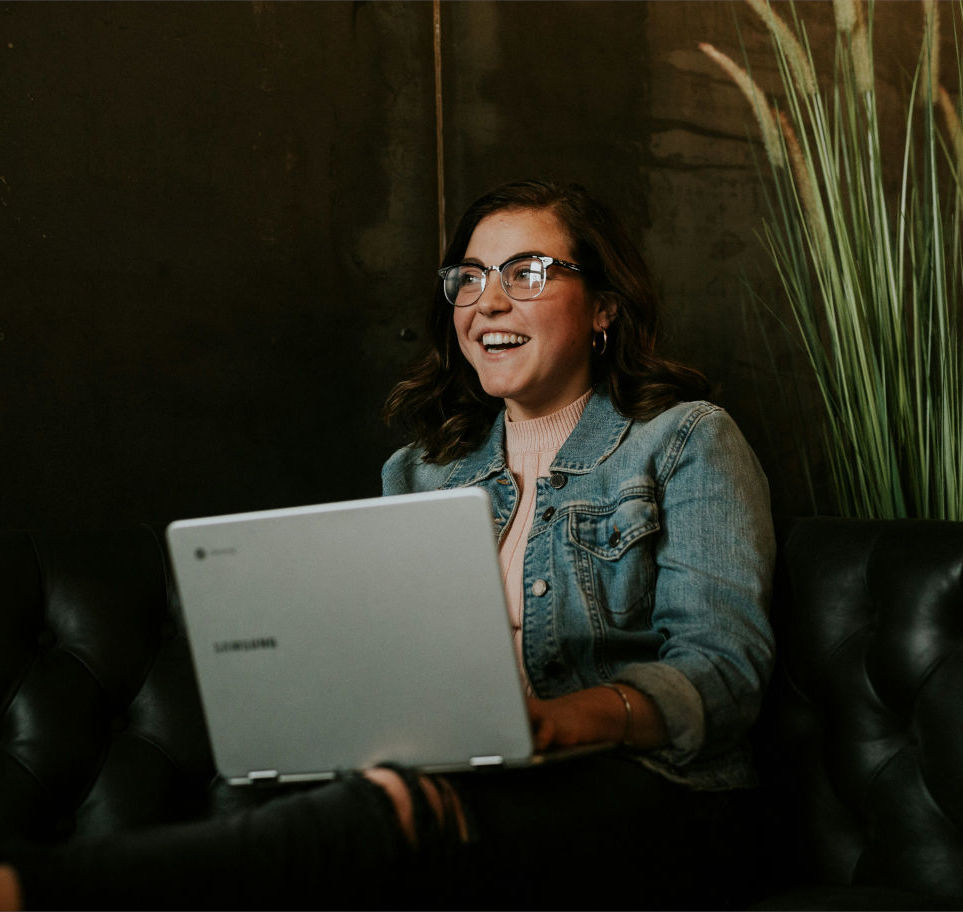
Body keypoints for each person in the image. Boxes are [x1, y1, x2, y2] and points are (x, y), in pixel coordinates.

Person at [0, 178, 775, 911]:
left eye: (527, 272)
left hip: (657, 796)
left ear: (603, 306)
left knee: (389, 819)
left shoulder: (684, 440)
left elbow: (723, 670)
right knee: (316, 803)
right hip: (469, 785)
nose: (488, 301)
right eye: (467, 277)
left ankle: (40, 892)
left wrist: (557, 719)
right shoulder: (422, 471)